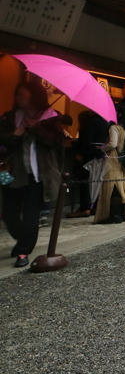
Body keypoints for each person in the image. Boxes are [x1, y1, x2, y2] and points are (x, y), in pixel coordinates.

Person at [0, 82, 63, 268]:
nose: (18, 97)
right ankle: (23, 240)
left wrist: (38, 129)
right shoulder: (10, 117)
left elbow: (58, 142)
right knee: (9, 214)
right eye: (17, 94)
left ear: (34, 96)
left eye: (22, 94)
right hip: (13, 172)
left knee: (30, 213)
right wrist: (14, 135)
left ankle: (23, 251)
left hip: (38, 174)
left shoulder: (51, 118)